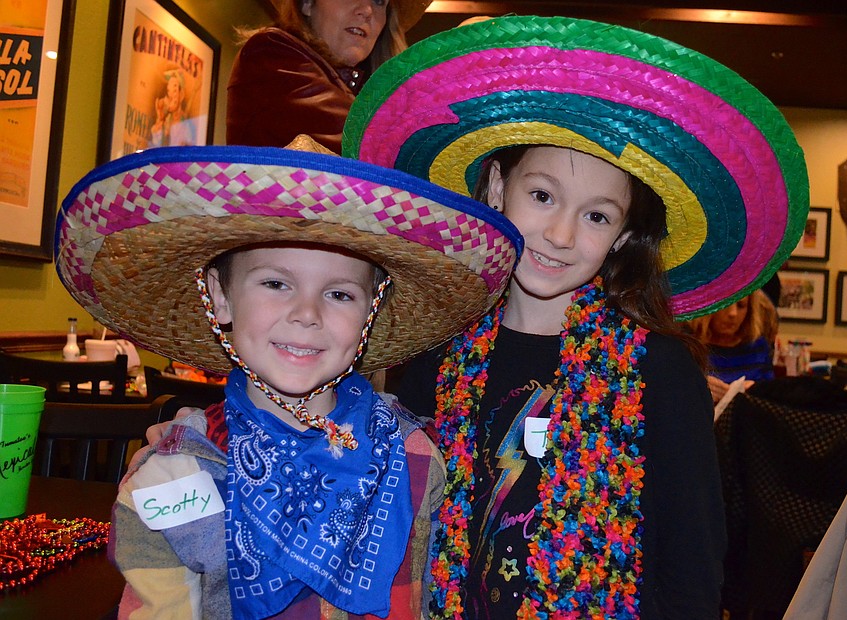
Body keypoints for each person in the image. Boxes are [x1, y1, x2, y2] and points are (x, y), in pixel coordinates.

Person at [342, 15, 809, 618]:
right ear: (493, 188)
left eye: (597, 216)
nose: (561, 234)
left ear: (622, 237)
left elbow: (692, 567)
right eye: (542, 196)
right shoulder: (439, 352)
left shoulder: (659, 369)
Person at [54, 135, 521, 618]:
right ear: (220, 295)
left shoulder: (415, 455)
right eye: (276, 283)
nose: (306, 313)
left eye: (340, 294)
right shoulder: (171, 475)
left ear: (371, 309)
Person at [227, 0, 431, 152]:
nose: (367, 11)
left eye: (379, 1)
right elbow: (364, 146)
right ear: (307, 3)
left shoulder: (358, 90)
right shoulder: (270, 53)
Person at [686, 290, 779, 403]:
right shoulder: (689, 347)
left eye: (741, 306)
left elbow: (772, 399)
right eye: (726, 304)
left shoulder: (758, 347)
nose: (733, 313)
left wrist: (756, 390)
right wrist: (697, 388)